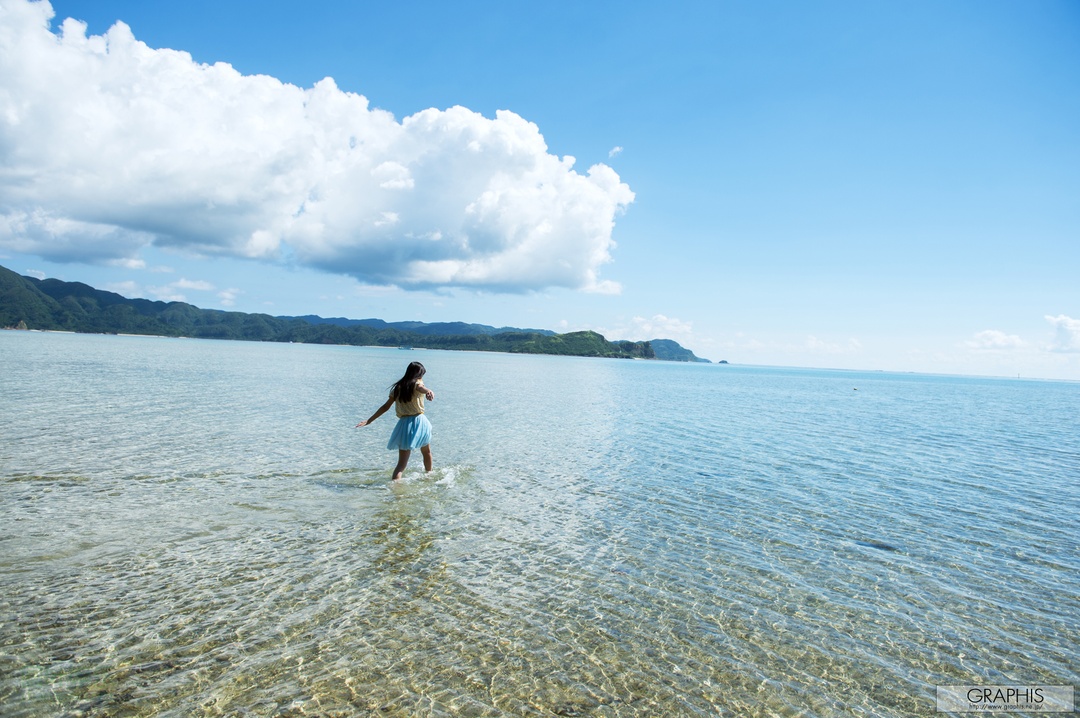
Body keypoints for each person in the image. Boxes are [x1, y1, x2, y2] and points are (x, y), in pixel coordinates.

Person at [356, 361, 435, 480]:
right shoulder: (417, 383)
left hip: (404, 425)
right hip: (420, 422)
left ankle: (395, 488)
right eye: (421, 375)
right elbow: (421, 387)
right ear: (418, 374)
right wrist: (429, 391)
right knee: (426, 452)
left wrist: (370, 420)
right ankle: (429, 475)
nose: (421, 378)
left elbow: (385, 407)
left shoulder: (398, 388)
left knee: (401, 465)